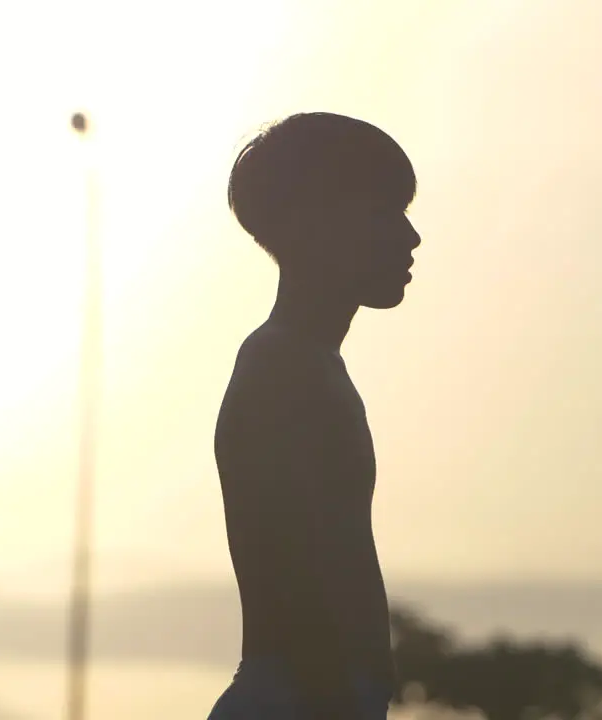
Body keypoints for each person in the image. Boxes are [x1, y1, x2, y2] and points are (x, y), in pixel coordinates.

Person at [209, 112, 421, 720]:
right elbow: (300, 572)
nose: (410, 238)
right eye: (383, 211)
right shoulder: (284, 369)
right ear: (314, 222)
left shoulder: (306, 364)